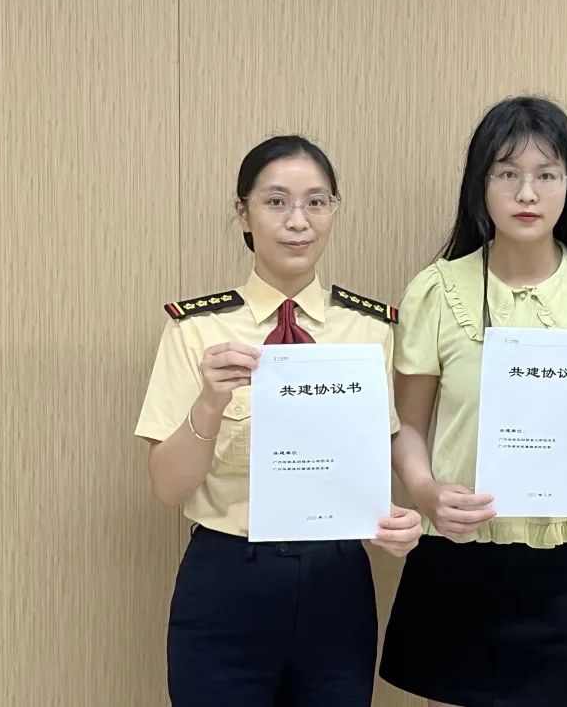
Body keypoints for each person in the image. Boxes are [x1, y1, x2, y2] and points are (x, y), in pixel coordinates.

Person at [380, 97, 567, 707]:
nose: (527, 193)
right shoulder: (439, 289)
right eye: (507, 173)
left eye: (546, 174)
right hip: (463, 554)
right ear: (480, 184)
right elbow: (407, 426)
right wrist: (426, 493)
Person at [134, 135, 422, 707]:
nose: (298, 221)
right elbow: (168, 487)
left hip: (336, 580)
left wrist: (400, 522)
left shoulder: (370, 329)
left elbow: (379, 456)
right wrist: (209, 402)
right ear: (242, 212)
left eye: (316, 202)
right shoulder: (196, 330)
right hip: (227, 579)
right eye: (276, 202)